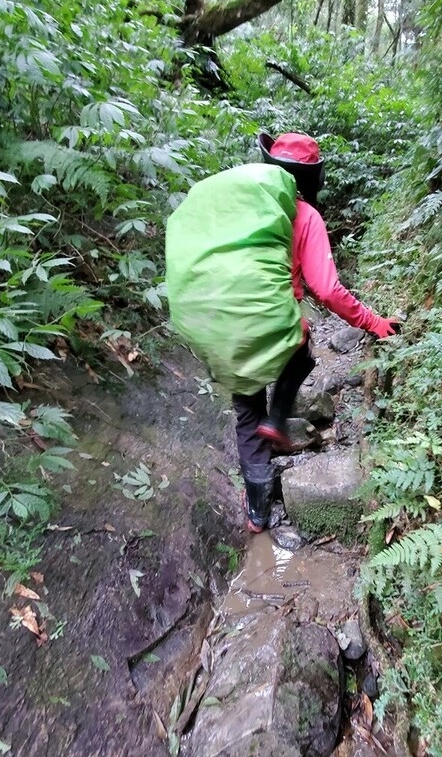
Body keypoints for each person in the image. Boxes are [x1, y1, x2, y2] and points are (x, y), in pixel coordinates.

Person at [165, 131, 400, 533]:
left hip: (216, 325)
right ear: (311, 178)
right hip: (271, 325)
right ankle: (277, 419)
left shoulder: (236, 212)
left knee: (245, 410)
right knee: (303, 352)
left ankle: (257, 512)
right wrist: (374, 323)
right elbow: (326, 289)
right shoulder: (303, 214)